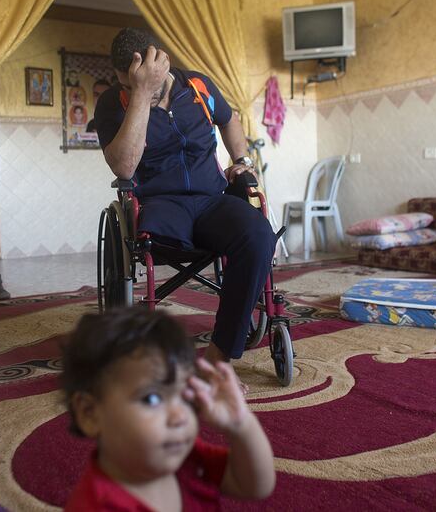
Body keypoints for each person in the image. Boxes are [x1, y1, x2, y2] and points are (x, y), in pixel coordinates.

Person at [94, 28, 278, 380]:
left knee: (258, 236)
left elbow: (229, 119)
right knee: (160, 244)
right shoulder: (112, 103)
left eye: (137, 81)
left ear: (161, 62)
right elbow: (123, 167)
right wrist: (141, 95)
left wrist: (242, 159)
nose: (128, 88)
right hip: (160, 205)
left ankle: (217, 360)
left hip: (212, 200)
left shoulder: (199, 86)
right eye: (125, 83)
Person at [61, 308, 275, 510]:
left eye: (185, 396)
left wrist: (242, 425)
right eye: (152, 398)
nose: (180, 416)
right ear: (90, 414)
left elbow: (254, 486)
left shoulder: (189, 458)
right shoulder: (96, 506)